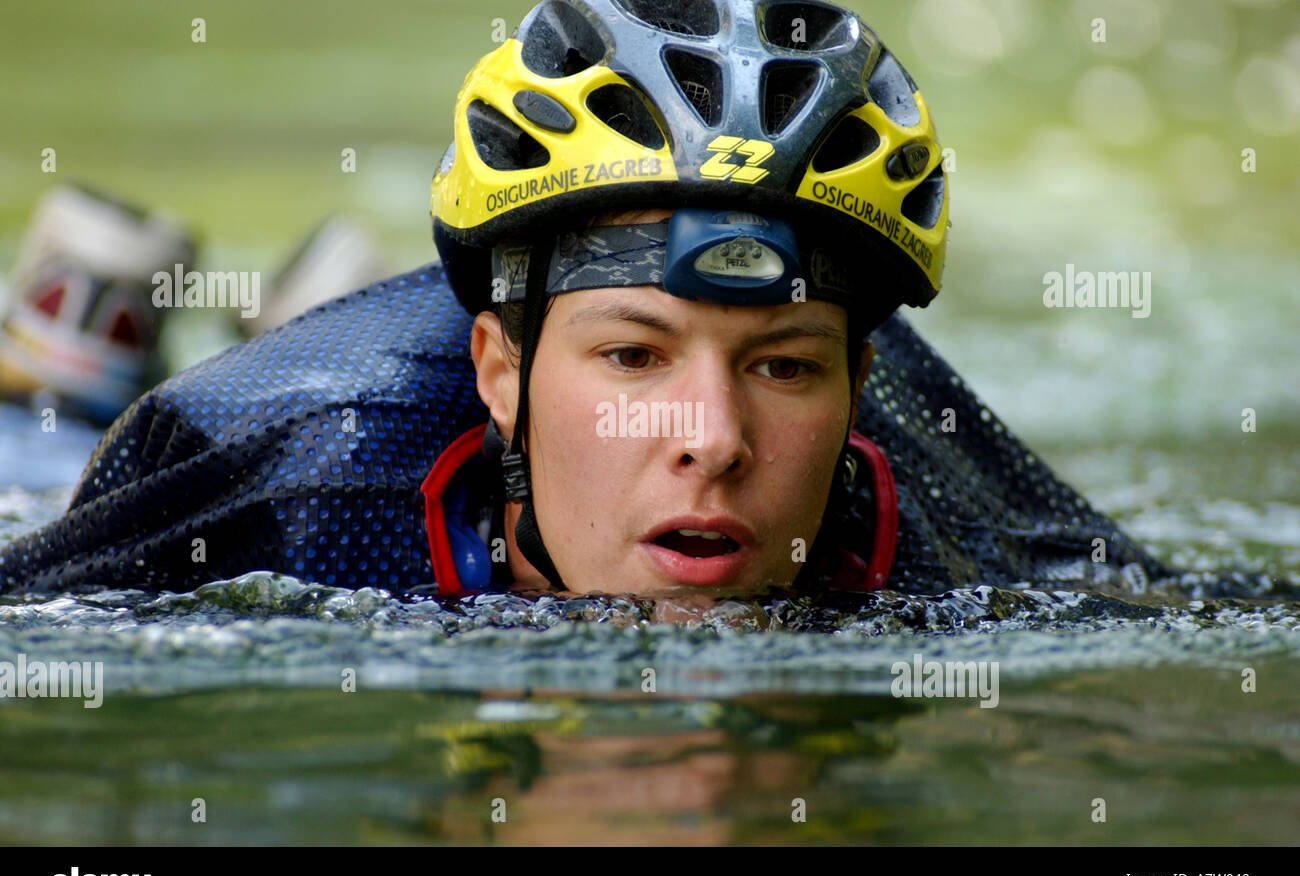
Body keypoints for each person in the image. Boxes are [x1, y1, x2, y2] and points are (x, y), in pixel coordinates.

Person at [0, 0, 1170, 599]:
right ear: (499, 371)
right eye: (633, 357)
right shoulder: (308, 473)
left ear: (861, 381)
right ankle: (86, 313)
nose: (711, 442)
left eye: (785, 365)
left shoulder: (949, 531)